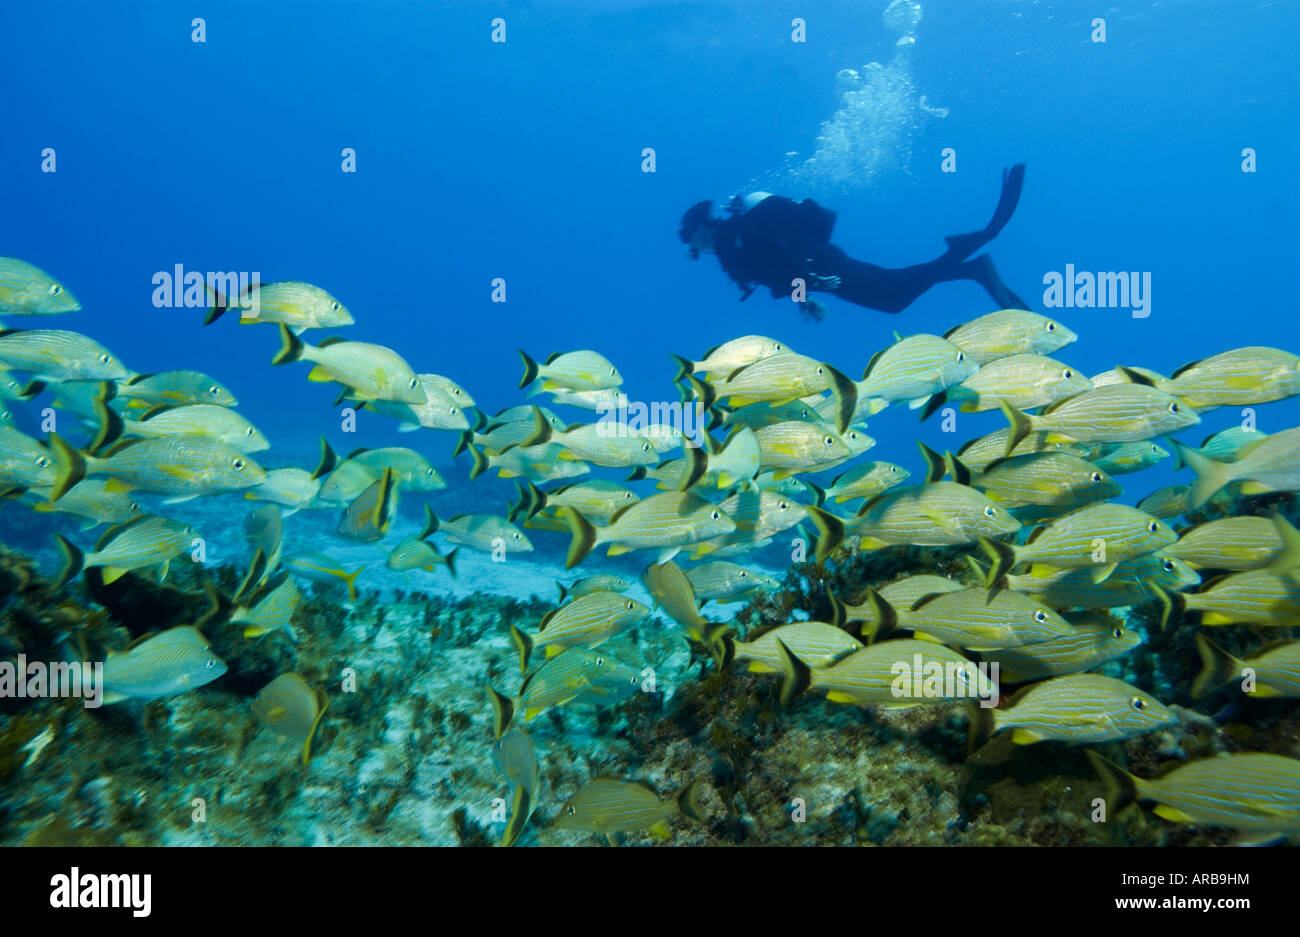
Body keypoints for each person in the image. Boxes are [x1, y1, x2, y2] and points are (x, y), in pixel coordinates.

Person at [678, 165, 1030, 320]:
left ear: (700, 229)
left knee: (894, 294)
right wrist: (804, 298)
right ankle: (970, 267)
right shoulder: (732, 238)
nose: (696, 249)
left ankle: (973, 264)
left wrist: (808, 280)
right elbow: (776, 266)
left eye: (691, 240)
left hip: (824, 266)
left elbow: (778, 253)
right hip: (822, 268)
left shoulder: (728, 240)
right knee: (895, 293)